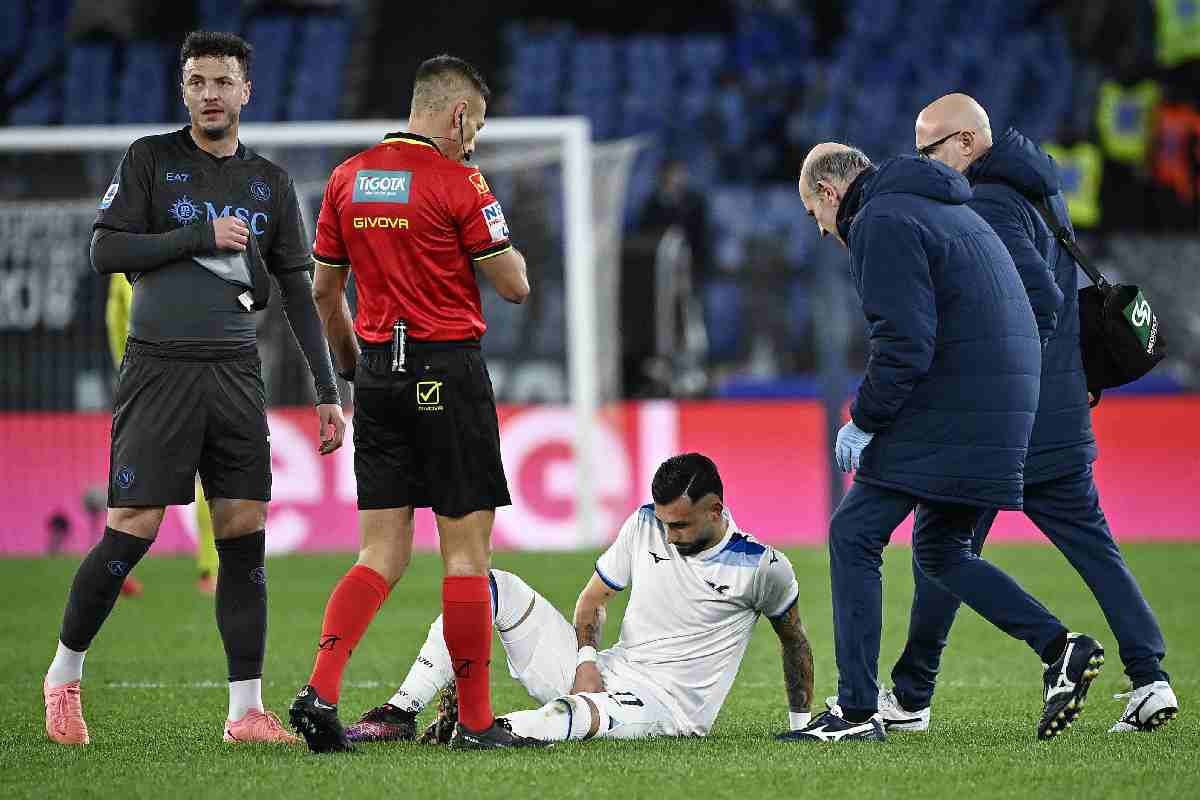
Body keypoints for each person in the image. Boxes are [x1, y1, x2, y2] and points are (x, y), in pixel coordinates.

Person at [42, 31, 345, 747]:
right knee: (133, 528)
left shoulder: (270, 182)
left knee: (243, 533)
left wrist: (327, 390)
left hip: (237, 372)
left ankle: (245, 713)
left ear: (246, 92)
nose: (211, 93)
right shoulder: (150, 159)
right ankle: (63, 676)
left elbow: (299, 293)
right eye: (198, 81)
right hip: (159, 368)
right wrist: (196, 238)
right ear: (184, 90)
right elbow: (104, 250)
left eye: (223, 81)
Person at [866, 94, 1177, 735]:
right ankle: (1151, 680)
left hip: (1012, 419)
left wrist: (991, 379)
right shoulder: (1038, 188)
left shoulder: (990, 202)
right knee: (1091, 548)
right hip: (1060, 404)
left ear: (964, 144)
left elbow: (1039, 300)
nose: (927, 165)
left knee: (940, 548)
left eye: (929, 151)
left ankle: (919, 695)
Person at [786, 143, 1104, 743]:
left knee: (854, 533)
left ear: (829, 192)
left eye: (814, 216)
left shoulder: (879, 220)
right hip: (1006, 406)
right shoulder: (948, 207)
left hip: (960, 402)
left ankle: (855, 713)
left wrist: (865, 419)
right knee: (941, 549)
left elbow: (905, 341)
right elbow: (1044, 300)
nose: (824, 231)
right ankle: (1061, 648)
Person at [291, 54, 531, 752]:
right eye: (476, 126)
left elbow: (322, 293)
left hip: (377, 376)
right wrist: (488, 230)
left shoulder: (347, 179)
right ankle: (479, 724)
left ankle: (321, 690)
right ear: (456, 115)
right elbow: (513, 284)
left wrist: (346, 367)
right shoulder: (461, 180)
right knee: (465, 556)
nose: (475, 141)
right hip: (446, 371)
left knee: (380, 553)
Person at [338, 453, 813, 745]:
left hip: (665, 708)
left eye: (681, 526)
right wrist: (586, 661)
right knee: (487, 586)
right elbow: (593, 598)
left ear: (716, 510)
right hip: (599, 671)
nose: (668, 536)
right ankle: (399, 712)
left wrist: (800, 724)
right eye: (666, 523)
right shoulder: (645, 523)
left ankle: (481, 727)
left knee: (575, 716)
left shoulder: (762, 566)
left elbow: (795, 641)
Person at [107, 272, 220, 595]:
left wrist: (124, 371)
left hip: (142, 382)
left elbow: (113, 319)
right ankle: (209, 573)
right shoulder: (195, 251)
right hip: (190, 376)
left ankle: (115, 568)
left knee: (135, 480)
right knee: (206, 476)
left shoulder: (124, 258)